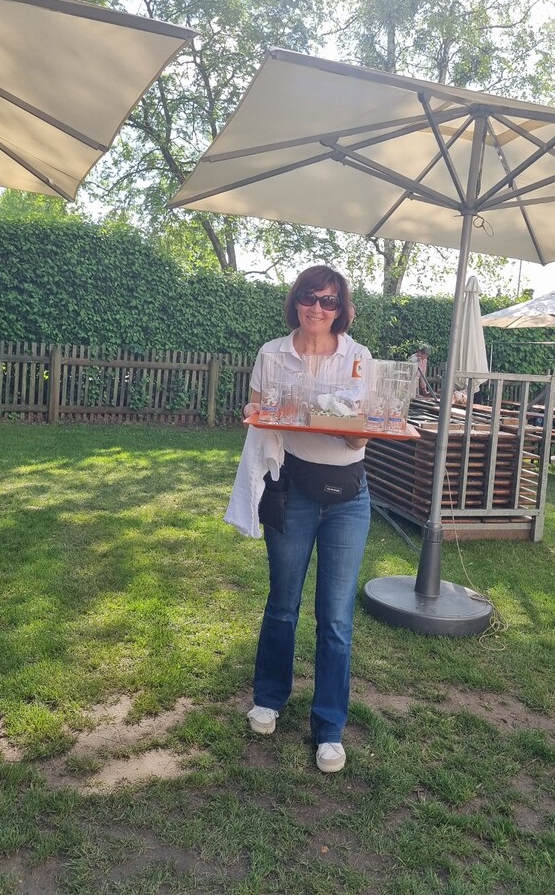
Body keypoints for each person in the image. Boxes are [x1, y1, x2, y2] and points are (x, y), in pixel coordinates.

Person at [242, 265, 372, 773]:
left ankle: (329, 726)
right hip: (292, 488)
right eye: (309, 297)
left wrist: (342, 425)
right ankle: (269, 698)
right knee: (282, 603)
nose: (318, 307)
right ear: (295, 300)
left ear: (341, 309)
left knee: (336, 617)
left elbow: (360, 436)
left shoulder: (358, 358)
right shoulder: (272, 354)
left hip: (348, 497)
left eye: (329, 300)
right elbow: (260, 409)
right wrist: (258, 411)